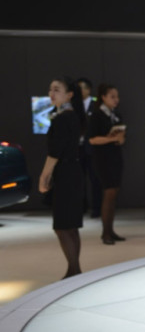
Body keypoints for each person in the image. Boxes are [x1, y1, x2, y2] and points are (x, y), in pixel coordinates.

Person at [38, 77, 86, 278]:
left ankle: (74, 271)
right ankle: (74, 270)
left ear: (69, 95)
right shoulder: (72, 116)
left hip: (65, 174)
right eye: (50, 89)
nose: (52, 93)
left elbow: (54, 152)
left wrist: (44, 176)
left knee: (62, 227)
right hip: (73, 172)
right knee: (70, 226)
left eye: (57, 89)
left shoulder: (62, 118)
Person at [87, 83, 127, 245]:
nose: (116, 100)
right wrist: (111, 139)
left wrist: (120, 138)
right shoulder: (97, 115)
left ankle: (110, 230)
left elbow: (121, 138)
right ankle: (105, 233)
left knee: (114, 195)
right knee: (109, 194)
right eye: (112, 96)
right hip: (103, 159)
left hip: (115, 157)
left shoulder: (116, 114)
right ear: (103, 97)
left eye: (117, 96)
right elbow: (92, 139)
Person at [76, 77, 102, 219]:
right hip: (77, 148)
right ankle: (81, 206)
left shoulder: (96, 104)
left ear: (88, 90)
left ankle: (97, 208)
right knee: (79, 179)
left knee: (95, 179)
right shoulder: (74, 105)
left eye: (81, 88)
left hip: (92, 147)